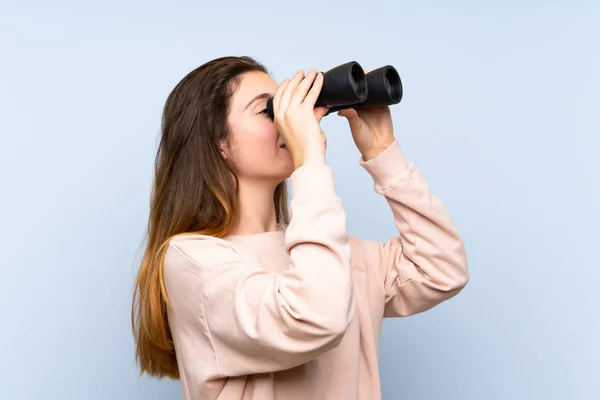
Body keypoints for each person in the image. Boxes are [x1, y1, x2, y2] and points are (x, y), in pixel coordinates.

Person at [131, 55, 469, 400]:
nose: (292, 121)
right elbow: (315, 316)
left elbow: (441, 269)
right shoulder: (193, 261)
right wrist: (309, 160)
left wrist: (383, 153)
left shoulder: (332, 254)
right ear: (218, 142)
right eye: (269, 109)